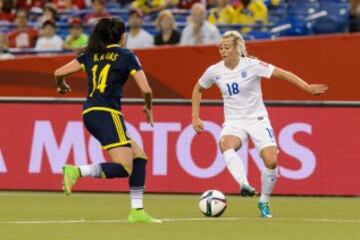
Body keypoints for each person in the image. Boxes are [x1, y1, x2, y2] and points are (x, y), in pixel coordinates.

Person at [191, 31, 329, 218]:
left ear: (237, 48)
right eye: (220, 48)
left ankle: (263, 201)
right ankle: (244, 184)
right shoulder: (214, 71)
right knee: (225, 144)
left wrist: (306, 87)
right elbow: (198, 89)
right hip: (234, 121)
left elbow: (282, 73)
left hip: (257, 119)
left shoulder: (253, 65)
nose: (223, 51)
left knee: (271, 161)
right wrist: (195, 117)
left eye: (227, 47)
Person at [54, 17, 160, 223]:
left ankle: (137, 211)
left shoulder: (90, 54)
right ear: (122, 36)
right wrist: (148, 106)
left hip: (90, 112)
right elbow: (146, 89)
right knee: (124, 167)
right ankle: (76, 171)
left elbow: (58, 72)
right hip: (107, 112)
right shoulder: (127, 55)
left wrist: (62, 85)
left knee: (139, 158)